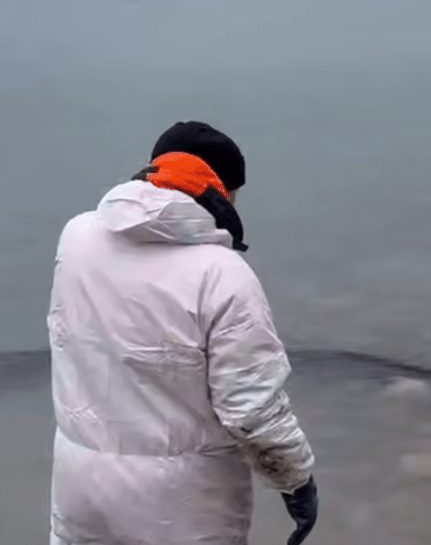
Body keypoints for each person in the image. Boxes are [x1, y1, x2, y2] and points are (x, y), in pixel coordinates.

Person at [48, 121, 317, 545]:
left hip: (79, 489)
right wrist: (296, 480)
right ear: (220, 191)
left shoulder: (76, 239)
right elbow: (251, 410)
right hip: (183, 506)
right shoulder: (222, 274)